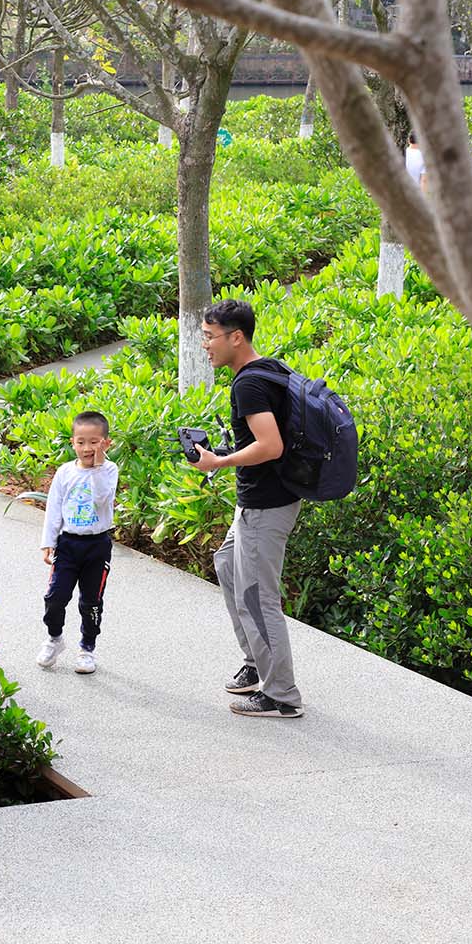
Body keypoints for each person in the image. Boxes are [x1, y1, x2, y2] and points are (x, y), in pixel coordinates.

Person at [189, 300, 305, 718]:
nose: (205, 345)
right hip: (261, 499)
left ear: (235, 337)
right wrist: (226, 451)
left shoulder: (248, 385)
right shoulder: (268, 368)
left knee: (258, 598)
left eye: (209, 336)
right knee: (226, 565)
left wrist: (218, 462)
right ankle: (258, 664)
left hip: (266, 506)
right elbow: (267, 441)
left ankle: (281, 695)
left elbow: (270, 446)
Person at [37, 411, 119, 676]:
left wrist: (96, 467)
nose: (87, 448)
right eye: (81, 442)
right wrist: (48, 542)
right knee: (55, 597)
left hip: (97, 545)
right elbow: (54, 509)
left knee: (91, 601)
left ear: (106, 443)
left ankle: (87, 648)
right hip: (68, 545)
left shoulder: (108, 471)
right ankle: (54, 638)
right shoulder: (64, 472)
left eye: (94, 442)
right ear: (73, 442)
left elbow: (101, 499)